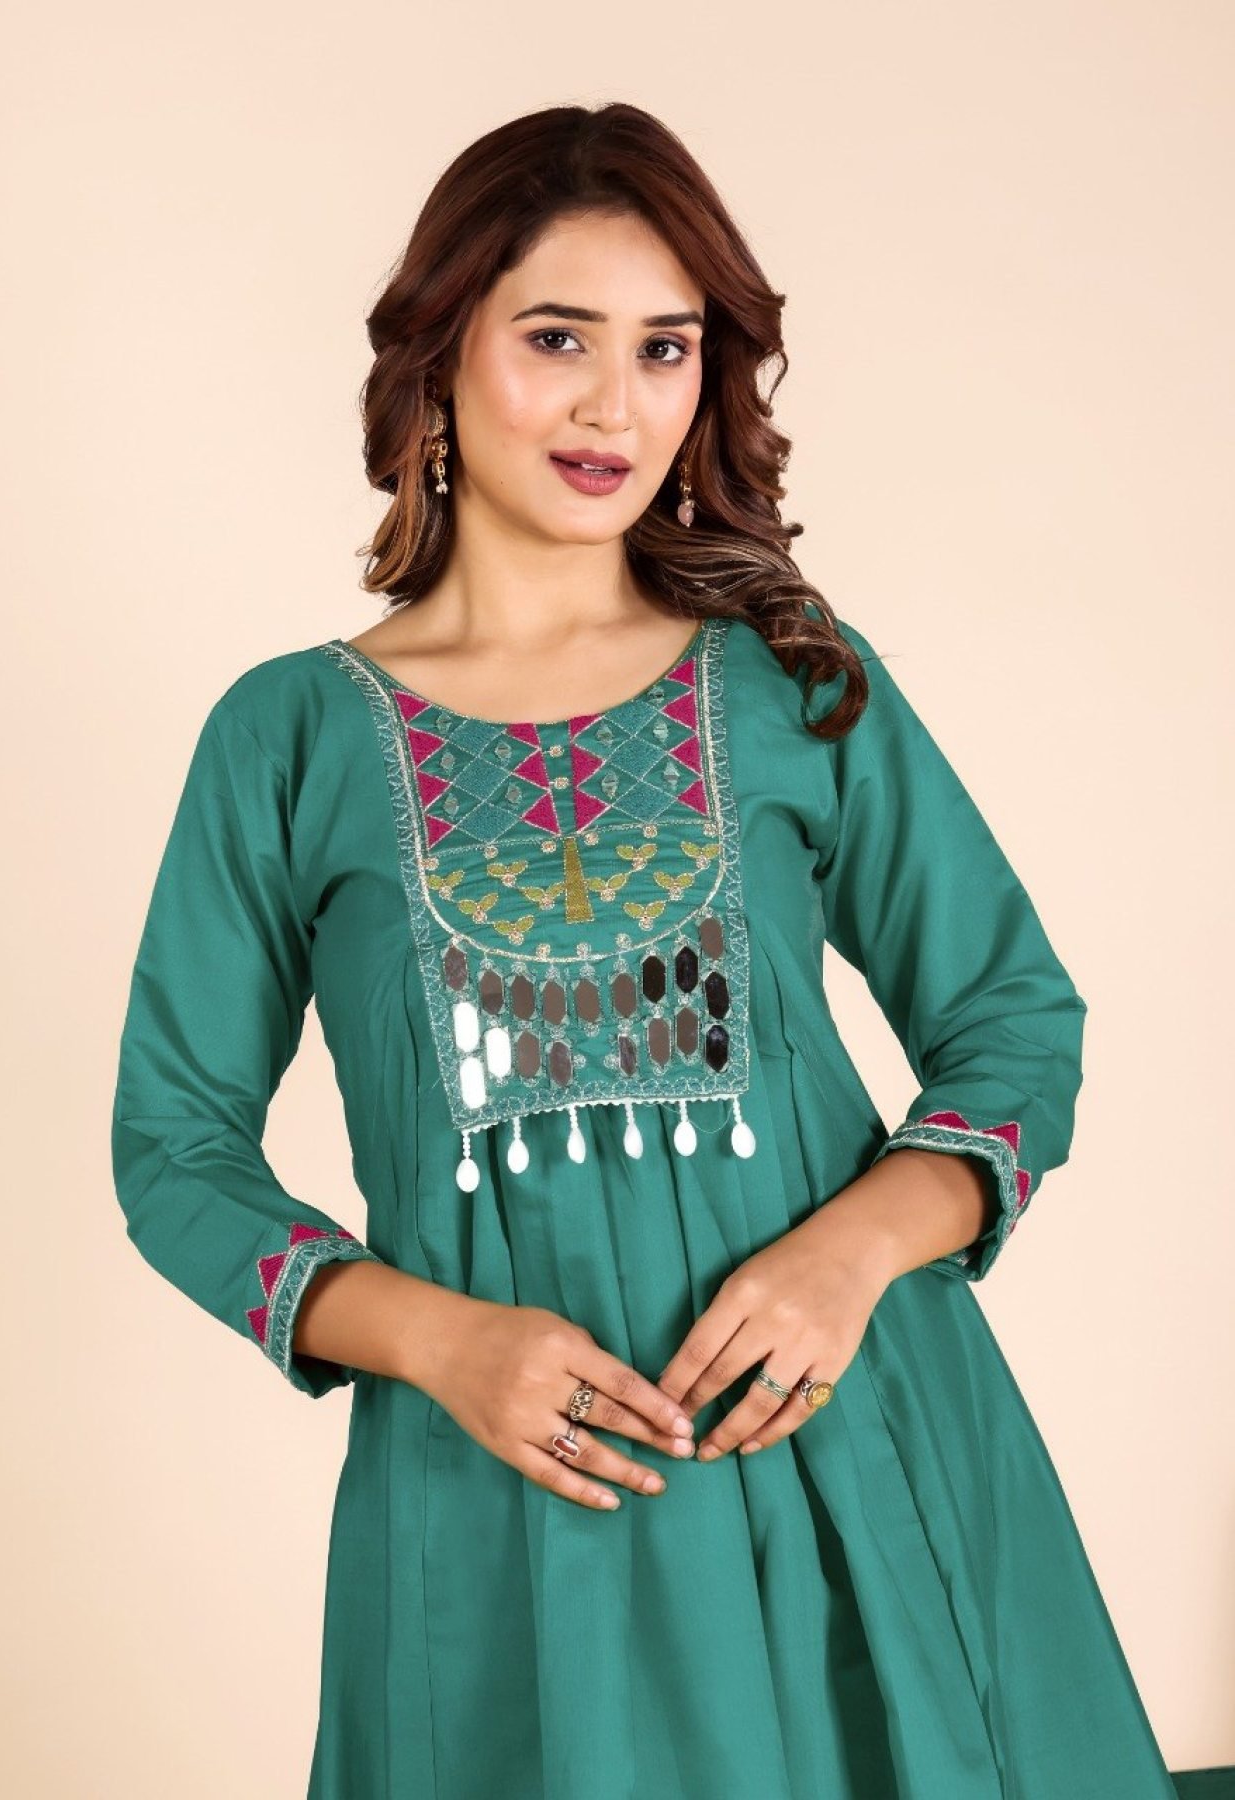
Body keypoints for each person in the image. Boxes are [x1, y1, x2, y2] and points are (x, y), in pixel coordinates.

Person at [110, 102, 1230, 1800]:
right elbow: (173, 1150)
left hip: (852, 1449)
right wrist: (436, 1341)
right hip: (508, 1509)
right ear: (438, 358)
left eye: (665, 348)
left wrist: (847, 1257)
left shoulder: (792, 683)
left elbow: (1012, 1019)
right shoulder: (287, 740)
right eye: (556, 338)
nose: (612, 406)